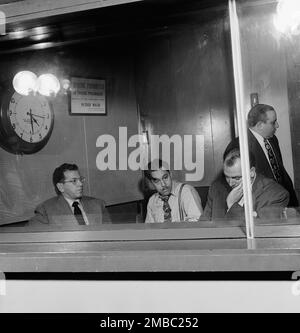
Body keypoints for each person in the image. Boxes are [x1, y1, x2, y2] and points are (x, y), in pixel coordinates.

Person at [224, 103, 298, 207]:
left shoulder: (273, 140)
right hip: (261, 207)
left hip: (282, 200)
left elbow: (279, 172)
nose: (277, 126)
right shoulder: (238, 146)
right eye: (273, 122)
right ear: (259, 125)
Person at [203, 148, 289, 219]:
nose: (230, 183)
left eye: (237, 178)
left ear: (251, 172)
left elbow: (262, 230)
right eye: (226, 176)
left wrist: (232, 205)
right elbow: (205, 225)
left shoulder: (276, 194)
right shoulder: (216, 188)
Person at [29, 163, 111, 226]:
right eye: (74, 181)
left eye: (80, 179)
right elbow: (33, 238)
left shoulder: (98, 205)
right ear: (61, 187)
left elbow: (110, 235)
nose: (80, 184)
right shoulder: (46, 210)